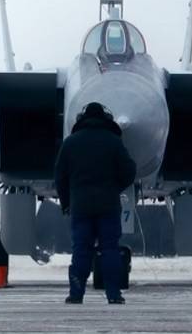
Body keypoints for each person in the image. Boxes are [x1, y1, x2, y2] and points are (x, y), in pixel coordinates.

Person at [54, 102, 136, 304]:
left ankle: (76, 294)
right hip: (108, 206)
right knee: (109, 249)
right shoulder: (114, 142)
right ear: (105, 118)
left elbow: (60, 176)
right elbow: (129, 171)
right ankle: (114, 295)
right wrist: (115, 188)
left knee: (81, 249)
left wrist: (66, 203)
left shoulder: (71, 142)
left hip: (80, 206)